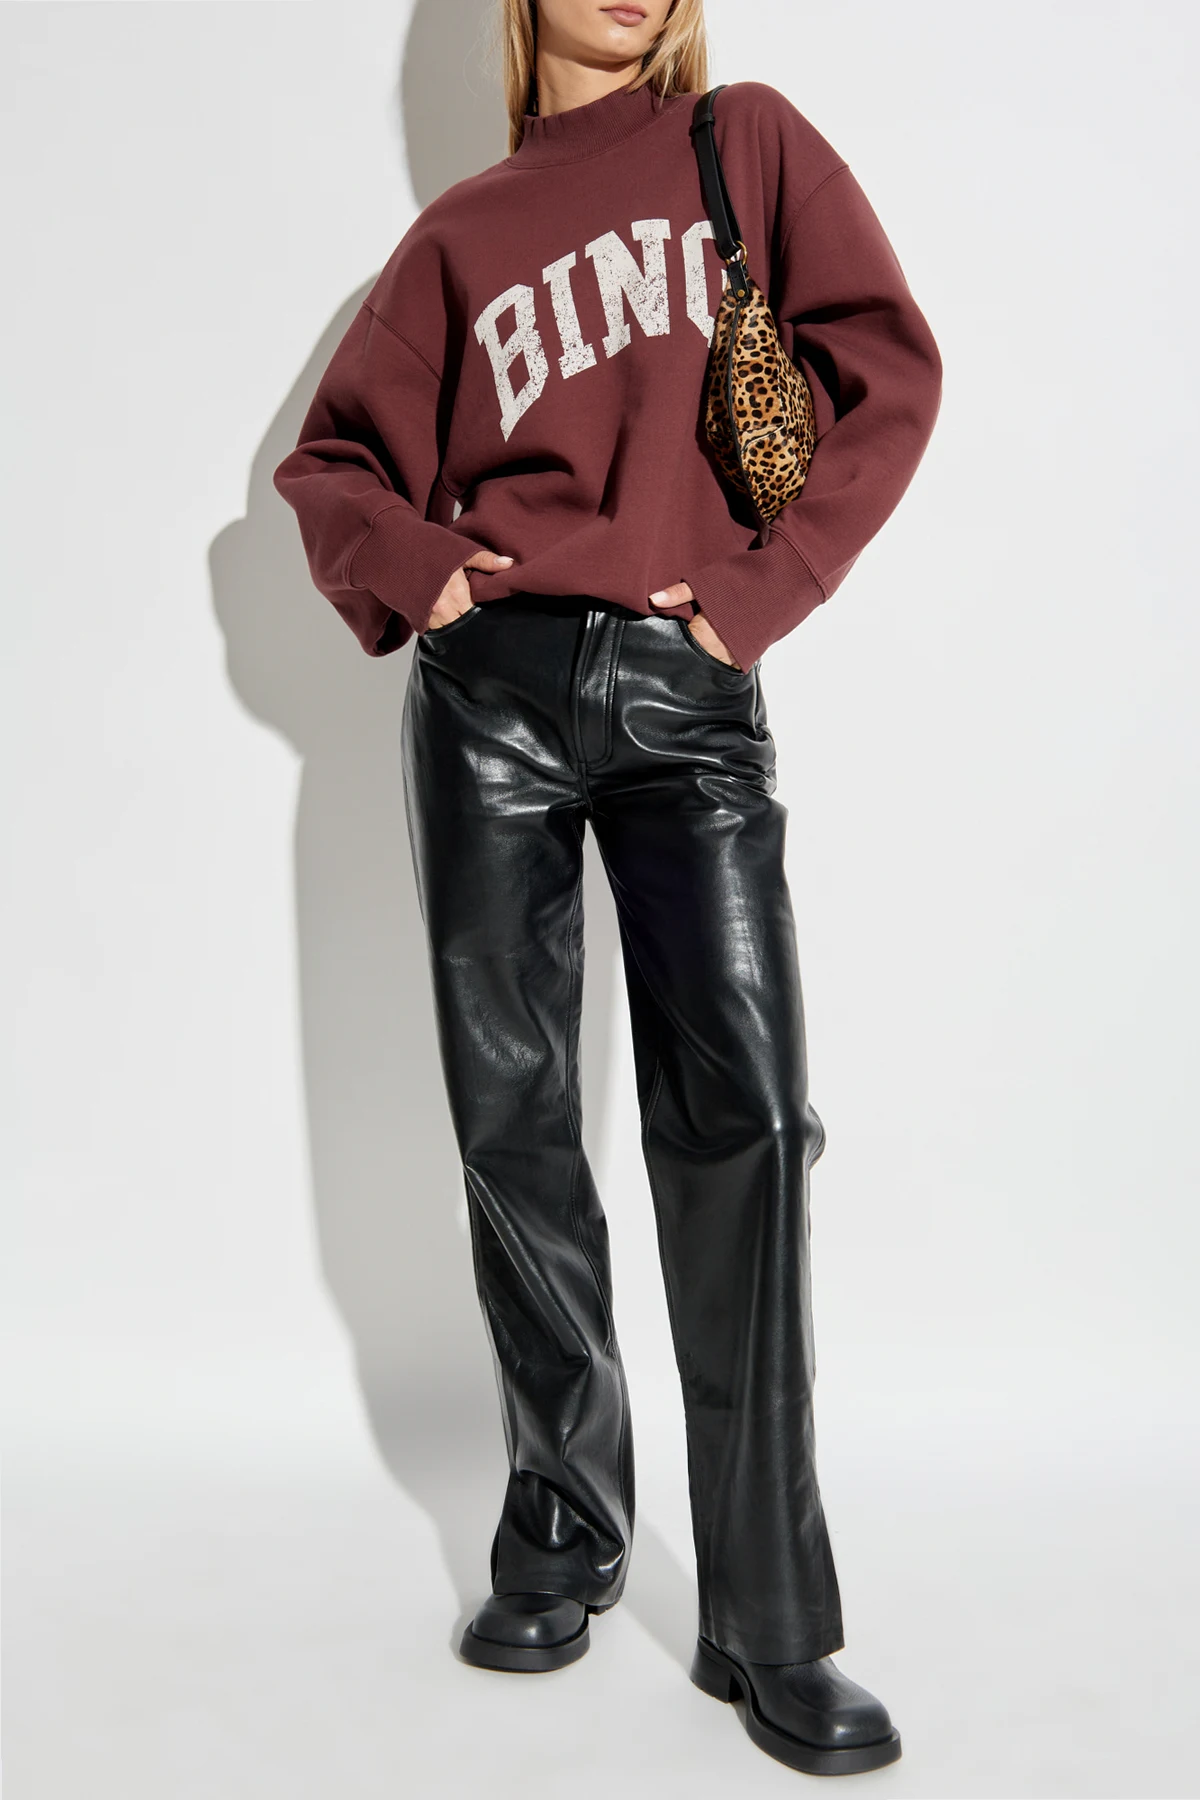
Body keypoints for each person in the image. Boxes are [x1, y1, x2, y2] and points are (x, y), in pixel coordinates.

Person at [274, 0, 941, 1778]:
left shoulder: (747, 142)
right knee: (515, 1125)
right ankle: (563, 1530)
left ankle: (770, 1616)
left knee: (751, 1127)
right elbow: (327, 465)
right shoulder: (460, 236)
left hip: (684, 694)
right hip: (488, 706)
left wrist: (756, 598)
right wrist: (427, 572)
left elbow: (890, 371)